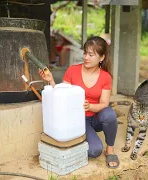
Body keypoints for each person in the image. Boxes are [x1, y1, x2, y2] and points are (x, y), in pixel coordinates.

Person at [39, 36, 119, 169]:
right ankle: (85, 137)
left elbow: (104, 104)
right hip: (78, 120)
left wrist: (90, 106)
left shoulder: (105, 77)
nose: (86, 57)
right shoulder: (73, 70)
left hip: (96, 117)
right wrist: (51, 81)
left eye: (91, 54)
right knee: (94, 151)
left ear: (101, 57)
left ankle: (110, 149)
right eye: (85, 53)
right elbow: (62, 95)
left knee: (109, 114)